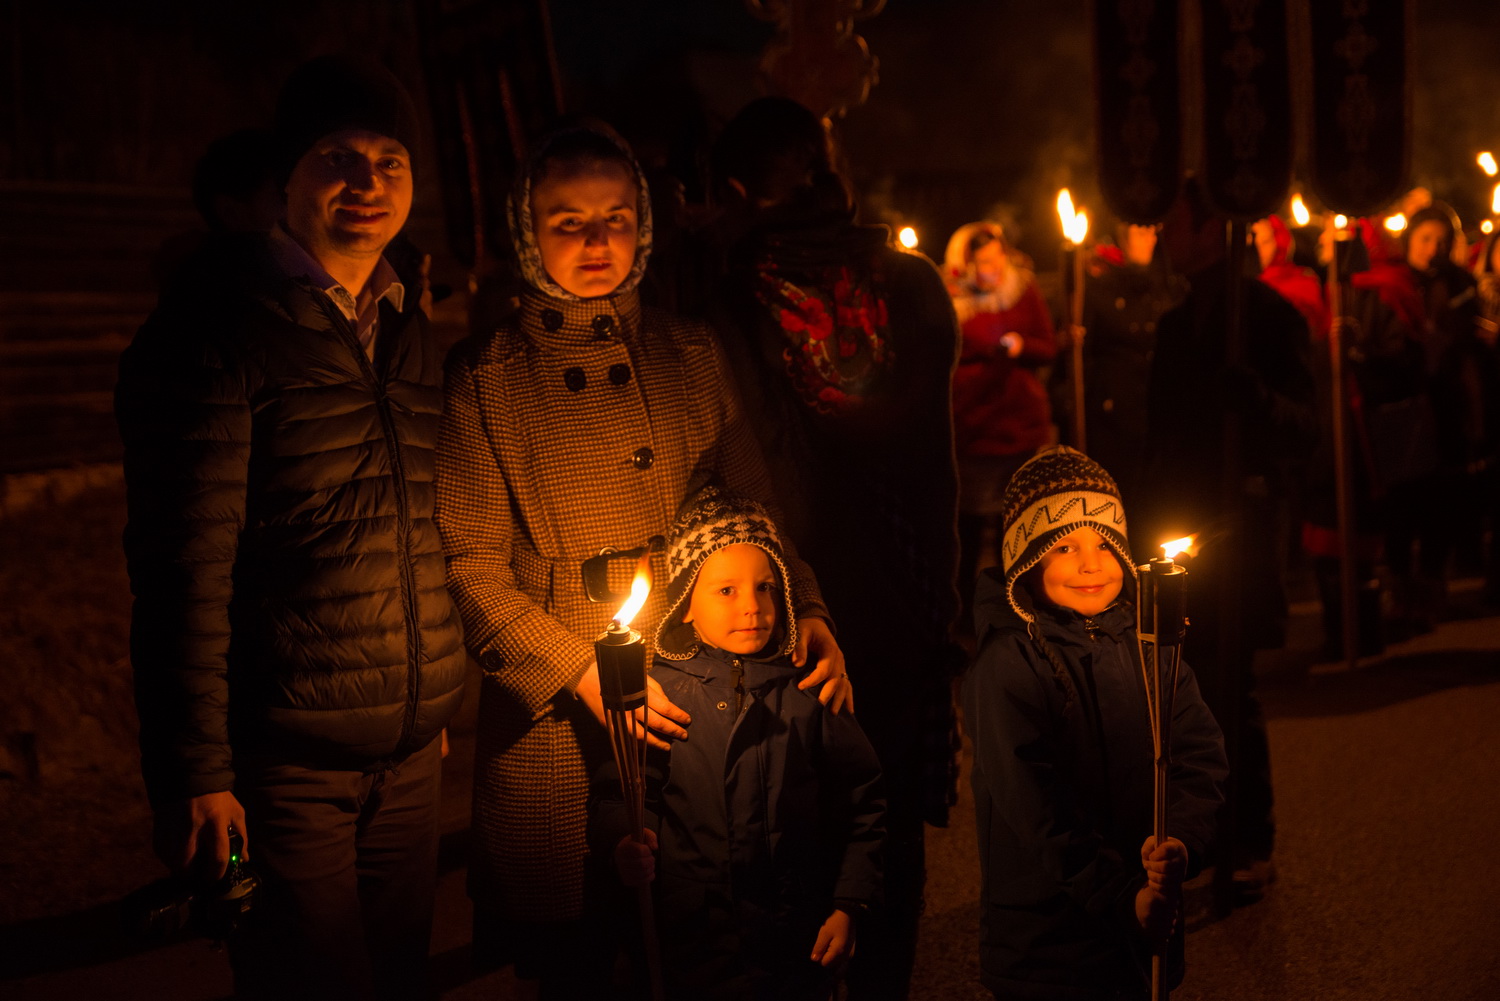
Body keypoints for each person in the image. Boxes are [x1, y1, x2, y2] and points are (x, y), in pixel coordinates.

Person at [435, 120, 848, 998]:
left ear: (646, 224)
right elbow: (470, 564)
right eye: (568, 220)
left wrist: (807, 607)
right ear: (526, 230)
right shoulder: (488, 373)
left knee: (709, 949)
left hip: (698, 690)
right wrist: (584, 674)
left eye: (617, 217)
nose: (596, 241)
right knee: (578, 958)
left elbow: (756, 508)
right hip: (557, 723)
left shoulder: (689, 350)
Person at [116, 55, 466, 1001]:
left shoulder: (404, 319)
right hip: (283, 762)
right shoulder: (218, 329)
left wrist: (419, 688)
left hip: (404, 752)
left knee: (398, 982)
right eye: (336, 157)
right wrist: (196, 768)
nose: (367, 184)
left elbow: (415, 521)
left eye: (390, 159)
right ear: (287, 176)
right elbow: (184, 562)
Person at [708, 95, 963, 1001]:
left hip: (785, 598)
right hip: (905, 586)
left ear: (738, 193)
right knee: (883, 819)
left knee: (790, 825)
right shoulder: (912, 285)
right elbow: (934, 455)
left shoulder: (732, 303)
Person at [593, 487, 885, 1001]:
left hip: (795, 938)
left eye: (766, 587)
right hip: (696, 942)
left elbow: (862, 804)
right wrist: (626, 838)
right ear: (685, 605)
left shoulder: (809, 690)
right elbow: (625, 790)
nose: (752, 606)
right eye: (726, 591)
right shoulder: (659, 697)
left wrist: (848, 905)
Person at [963, 446, 1227, 1000]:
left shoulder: (1149, 644)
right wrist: (1121, 891)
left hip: (1145, 920)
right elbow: (1036, 807)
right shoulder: (1008, 663)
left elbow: (1197, 751)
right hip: (1049, 945)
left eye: (1107, 544)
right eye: (1064, 546)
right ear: (1027, 561)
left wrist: (1180, 840)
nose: (1092, 564)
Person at [943, 221, 1058, 615]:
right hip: (974, 428)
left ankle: (1024, 605)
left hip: (1019, 427)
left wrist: (1023, 345)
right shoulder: (953, 302)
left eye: (996, 259)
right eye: (982, 262)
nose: (991, 269)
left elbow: (1048, 345)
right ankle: (962, 612)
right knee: (971, 526)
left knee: (1022, 523)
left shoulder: (1022, 290)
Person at [1050, 219, 1187, 518]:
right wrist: (1071, 403)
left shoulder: (1170, 283)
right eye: (1140, 229)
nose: (1149, 236)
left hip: (1159, 418)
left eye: (1153, 229)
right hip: (1110, 421)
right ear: (1122, 234)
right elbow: (1077, 358)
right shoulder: (1096, 286)